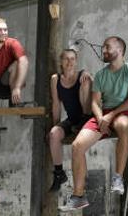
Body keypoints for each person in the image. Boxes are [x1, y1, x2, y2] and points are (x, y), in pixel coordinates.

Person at [60, 37, 128, 212]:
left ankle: (118, 177)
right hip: (103, 113)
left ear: (119, 50)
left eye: (107, 47)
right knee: (77, 145)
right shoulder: (101, 74)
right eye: (104, 46)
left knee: (121, 124)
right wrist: (100, 118)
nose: (103, 49)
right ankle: (78, 196)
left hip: (125, 112)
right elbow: (95, 102)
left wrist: (111, 115)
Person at [47, 48, 93, 192]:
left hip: (87, 118)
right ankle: (59, 173)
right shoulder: (55, 79)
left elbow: (94, 90)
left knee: (85, 81)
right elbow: (56, 104)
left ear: (76, 61)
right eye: (66, 58)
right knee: (54, 134)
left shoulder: (82, 75)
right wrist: (55, 126)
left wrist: (88, 75)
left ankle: (84, 120)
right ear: (61, 62)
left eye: (72, 58)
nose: (69, 62)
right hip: (72, 120)